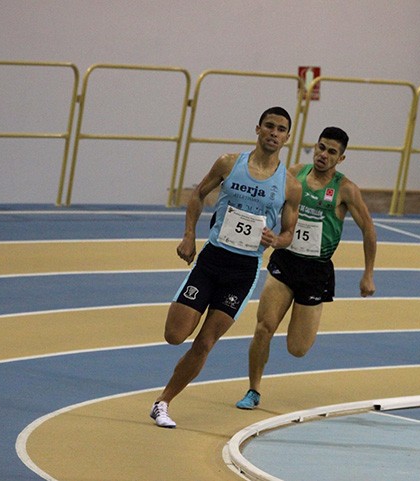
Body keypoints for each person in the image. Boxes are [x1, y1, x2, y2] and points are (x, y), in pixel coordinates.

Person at [150, 106, 302, 428]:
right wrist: (189, 236)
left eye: (281, 129)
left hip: (243, 272)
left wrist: (277, 240)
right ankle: (164, 397)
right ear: (258, 129)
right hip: (211, 261)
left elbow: (290, 233)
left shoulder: (289, 186)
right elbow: (198, 195)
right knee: (175, 335)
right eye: (269, 126)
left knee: (205, 342)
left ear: (287, 138)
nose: (274, 133)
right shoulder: (229, 164)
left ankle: (163, 402)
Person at [235, 126, 377, 410]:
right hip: (286, 261)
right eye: (321, 148)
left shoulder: (345, 189)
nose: (324, 155)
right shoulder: (296, 173)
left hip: (316, 271)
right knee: (264, 328)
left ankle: (301, 317)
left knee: (297, 348)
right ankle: (253, 390)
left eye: (332, 152)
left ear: (341, 158)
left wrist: (368, 273)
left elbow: (369, 230)